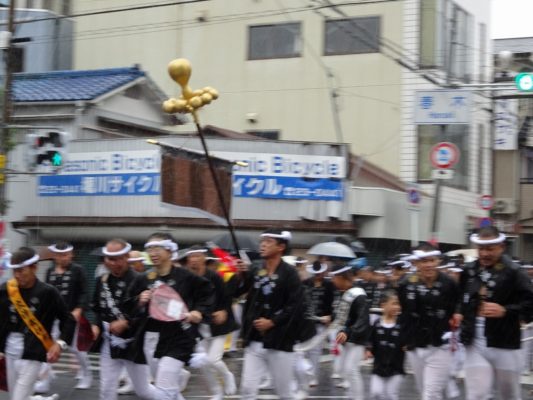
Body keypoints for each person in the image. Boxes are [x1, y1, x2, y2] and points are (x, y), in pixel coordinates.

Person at [127, 232, 214, 400]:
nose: (152, 253)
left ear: (170, 250)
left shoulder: (186, 277)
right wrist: (139, 300)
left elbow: (207, 292)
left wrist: (198, 311)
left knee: (164, 389)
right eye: (149, 249)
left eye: (157, 248)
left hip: (179, 336)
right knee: (168, 389)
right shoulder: (144, 278)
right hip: (151, 338)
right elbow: (128, 304)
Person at [457, 226, 533, 400]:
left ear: (501, 247)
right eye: (481, 249)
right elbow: (460, 298)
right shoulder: (469, 270)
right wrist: (459, 313)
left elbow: (530, 304)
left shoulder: (514, 272)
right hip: (474, 339)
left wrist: (505, 310)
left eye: (490, 249)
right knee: (477, 394)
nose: (484, 254)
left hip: (504, 339)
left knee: (509, 394)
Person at [0, 247, 76, 400]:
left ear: (34, 267)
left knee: (18, 398)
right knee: (18, 395)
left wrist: (59, 343)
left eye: (21, 270)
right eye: (15, 271)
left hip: (34, 350)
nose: (17, 275)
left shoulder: (48, 292)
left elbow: (68, 320)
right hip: (9, 350)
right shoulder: (6, 290)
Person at [238, 229, 304, 400]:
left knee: (284, 393)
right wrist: (241, 275)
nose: (263, 245)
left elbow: (295, 306)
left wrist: (272, 322)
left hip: (279, 341)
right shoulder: (256, 268)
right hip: (255, 339)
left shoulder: (290, 274)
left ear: (281, 247)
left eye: (268, 242)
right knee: (247, 389)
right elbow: (238, 291)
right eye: (262, 241)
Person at [91, 239, 157, 400]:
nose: (114, 263)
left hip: (133, 342)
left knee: (143, 391)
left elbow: (149, 312)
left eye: (119, 258)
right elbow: (96, 308)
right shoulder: (102, 281)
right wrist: (95, 325)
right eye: (110, 259)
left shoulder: (140, 279)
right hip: (109, 341)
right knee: (106, 388)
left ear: (127, 256)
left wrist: (127, 322)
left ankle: (173, 396)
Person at [397, 243, 460, 400]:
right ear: (415, 263)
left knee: (431, 394)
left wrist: (459, 315)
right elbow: (404, 313)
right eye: (424, 261)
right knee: (423, 389)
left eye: (432, 260)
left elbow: (458, 306)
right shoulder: (405, 284)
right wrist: (403, 340)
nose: (429, 265)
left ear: (438, 261)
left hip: (440, 344)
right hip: (415, 344)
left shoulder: (449, 283)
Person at [184, 245, 238, 400]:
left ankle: (227, 375)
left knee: (213, 359)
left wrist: (223, 310)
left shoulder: (214, 276)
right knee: (203, 363)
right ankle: (216, 392)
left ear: (204, 258)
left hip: (217, 325)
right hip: (199, 326)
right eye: (191, 257)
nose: (194, 260)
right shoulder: (187, 278)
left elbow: (226, 297)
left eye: (197, 256)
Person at [36, 241, 91, 392]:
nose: (63, 258)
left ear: (71, 255)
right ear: (55, 256)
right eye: (60, 255)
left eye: (66, 255)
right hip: (52, 317)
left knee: (76, 349)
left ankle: (87, 374)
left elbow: (85, 292)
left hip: (71, 316)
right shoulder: (50, 271)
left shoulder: (78, 270)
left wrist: (79, 309)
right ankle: (46, 380)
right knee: (49, 347)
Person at [329, 262, 370, 400]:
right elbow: (342, 316)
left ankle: (358, 397)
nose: (333, 281)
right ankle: (352, 395)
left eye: (334, 277)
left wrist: (348, 332)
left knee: (351, 370)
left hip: (356, 338)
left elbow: (362, 318)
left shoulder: (358, 294)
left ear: (341, 277)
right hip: (346, 337)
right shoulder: (343, 293)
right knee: (346, 370)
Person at [366, 290, 405, 400]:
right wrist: (368, 350)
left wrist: (408, 345)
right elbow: (370, 340)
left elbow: (408, 340)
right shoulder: (377, 323)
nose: (396, 307)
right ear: (383, 305)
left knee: (391, 394)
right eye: (393, 303)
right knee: (376, 392)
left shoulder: (402, 324)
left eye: (398, 304)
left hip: (396, 368)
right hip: (378, 367)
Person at [302, 260, 335, 386]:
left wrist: (330, 317)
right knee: (302, 350)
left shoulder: (329, 285)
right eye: (316, 273)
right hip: (306, 322)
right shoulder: (305, 284)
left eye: (320, 273)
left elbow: (333, 304)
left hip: (322, 322)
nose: (318, 275)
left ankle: (313, 376)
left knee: (315, 351)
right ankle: (303, 374)